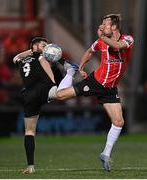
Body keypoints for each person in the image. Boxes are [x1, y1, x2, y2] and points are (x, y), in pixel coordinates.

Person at [53, 14, 134, 171]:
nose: (102, 27)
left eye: (105, 24)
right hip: (95, 82)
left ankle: (105, 154)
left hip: (110, 88)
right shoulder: (101, 42)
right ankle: (70, 72)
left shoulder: (128, 39)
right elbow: (89, 52)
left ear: (114, 27)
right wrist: (81, 68)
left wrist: (102, 36)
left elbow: (118, 46)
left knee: (119, 122)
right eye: (101, 24)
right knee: (60, 95)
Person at [13, 37, 78, 174]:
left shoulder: (21, 60)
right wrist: (54, 81)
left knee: (29, 132)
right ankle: (72, 73)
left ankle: (30, 166)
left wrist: (32, 50)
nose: (47, 48)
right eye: (44, 45)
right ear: (36, 46)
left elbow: (16, 57)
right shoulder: (42, 57)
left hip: (28, 95)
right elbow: (46, 68)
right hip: (43, 89)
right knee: (62, 93)